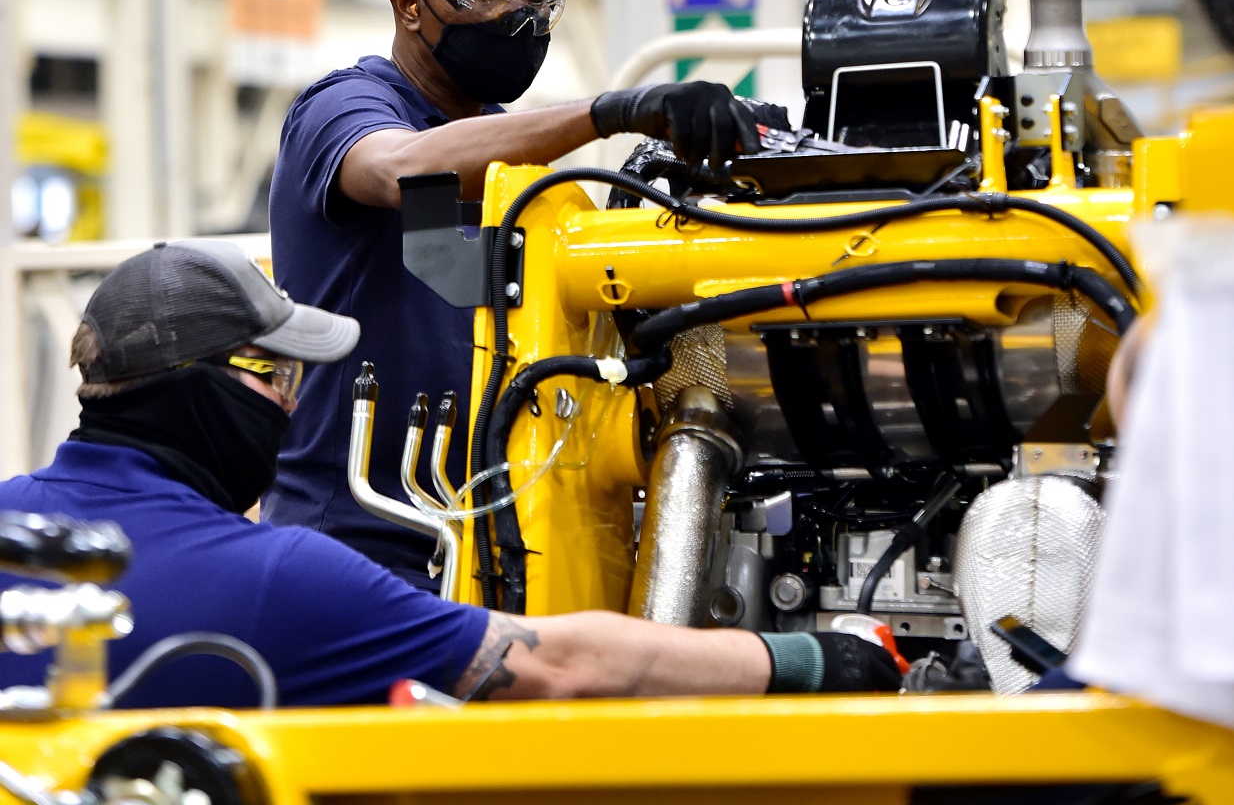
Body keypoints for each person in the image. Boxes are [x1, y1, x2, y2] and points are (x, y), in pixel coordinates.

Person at [0, 244, 898, 708]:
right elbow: (560, 668)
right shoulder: (284, 580)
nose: (290, 403)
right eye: (278, 377)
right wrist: (812, 656)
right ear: (211, 391)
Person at [264, 0, 777, 585]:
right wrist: (610, 111)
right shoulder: (345, 106)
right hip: (355, 541)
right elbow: (404, 170)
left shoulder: (512, 152)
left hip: (488, 535)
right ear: (411, 6)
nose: (522, 14)